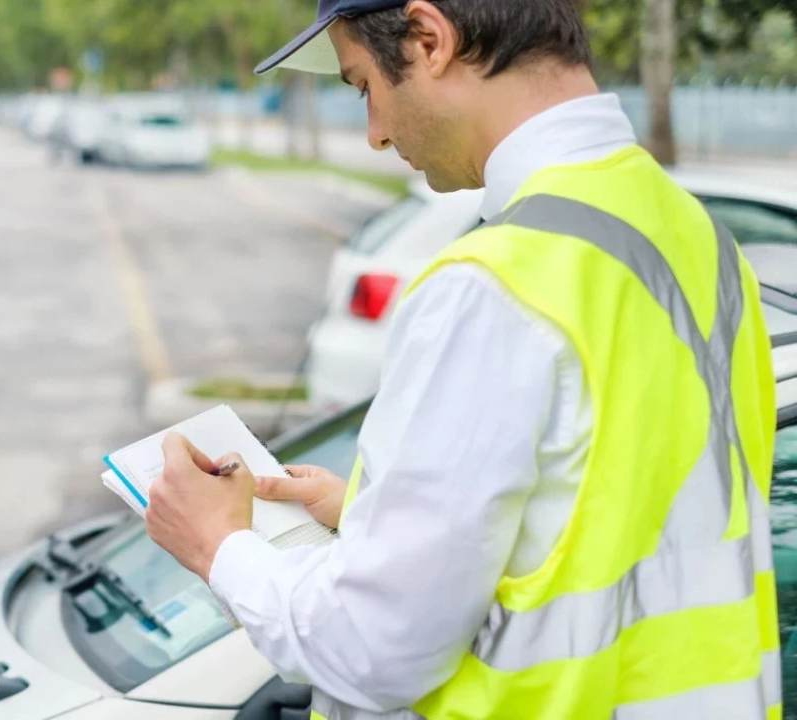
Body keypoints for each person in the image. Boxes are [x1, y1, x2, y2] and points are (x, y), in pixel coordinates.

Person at [144, 1, 780, 718]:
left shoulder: (493, 284)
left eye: (364, 88)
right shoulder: (697, 237)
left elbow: (370, 649)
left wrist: (218, 547)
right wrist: (375, 517)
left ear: (428, 38)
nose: (376, 133)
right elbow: (626, 509)